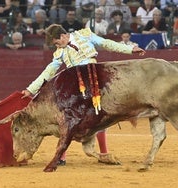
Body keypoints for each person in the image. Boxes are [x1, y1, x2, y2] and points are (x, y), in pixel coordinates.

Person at [21, 24, 146, 165]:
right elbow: (49, 71)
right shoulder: (59, 52)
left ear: (62, 36)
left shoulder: (84, 35)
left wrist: (130, 49)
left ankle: (103, 152)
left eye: (57, 42)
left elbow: (106, 43)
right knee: (67, 119)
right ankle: (62, 156)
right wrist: (31, 89)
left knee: (100, 115)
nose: (57, 46)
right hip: (76, 87)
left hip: (95, 81)